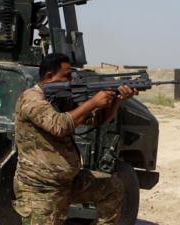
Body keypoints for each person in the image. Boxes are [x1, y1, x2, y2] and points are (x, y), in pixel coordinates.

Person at [13, 53, 138, 225]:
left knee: (111, 187)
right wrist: (93, 102)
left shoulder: (59, 100)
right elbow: (59, 125)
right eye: (66, 76)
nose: (71, 80)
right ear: (49, 76)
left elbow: (97, 120)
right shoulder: (31, 98)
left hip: (68, 181)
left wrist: (117, 100)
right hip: (41, 188)